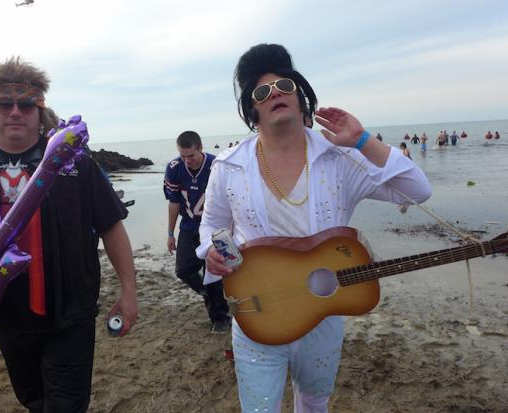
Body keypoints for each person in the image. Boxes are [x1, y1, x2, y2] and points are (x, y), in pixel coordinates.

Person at [196, 43, 431, 412]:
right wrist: (210, 253)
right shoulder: (229, 166)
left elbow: (418, 191)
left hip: (323, 311)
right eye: (262, 91)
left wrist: (364, 141)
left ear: (299, 92)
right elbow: (211, 225)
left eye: (284, 85)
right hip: (257, 313)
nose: (276, 93)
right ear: (251, 108)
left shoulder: (339, 158)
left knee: (314, 402)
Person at [0, 57, 138, 412]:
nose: (14, 111)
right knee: (34, 401)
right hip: (7, 319)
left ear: (40, 111)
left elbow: (111, 225)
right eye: (4, 104)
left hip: (70, 315)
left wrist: (129, 291)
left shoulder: (74, 164)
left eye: (26, 104)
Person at [164, 131, 231, 333]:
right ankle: (209, 295)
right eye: (183, 156)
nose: (187, 160)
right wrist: (170, 233)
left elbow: (231, 198)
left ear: (200, 148)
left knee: (216, 272)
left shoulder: (216, 165)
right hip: (189, 225)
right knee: (183, 270)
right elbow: (174, 202)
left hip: (215, 228)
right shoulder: (174, 168)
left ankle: (220, 318)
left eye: (191, 155)